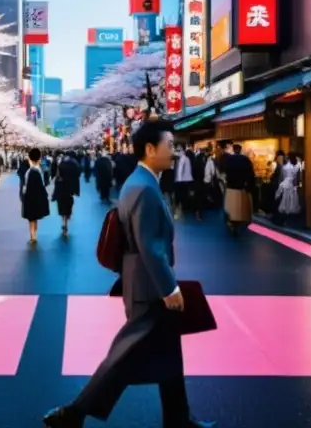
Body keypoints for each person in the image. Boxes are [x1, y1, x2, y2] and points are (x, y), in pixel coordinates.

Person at [43, 121, 214, 428]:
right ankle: (74, 411)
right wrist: (168, 288)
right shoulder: (144, 188)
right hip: (149, 286)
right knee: (123, 356)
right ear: (150, 149)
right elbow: (149, 246)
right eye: (170, 145)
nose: (173, 152)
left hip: (143, 280)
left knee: (168, 355)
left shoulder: (140, 181)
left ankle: (178, 418)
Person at [221, 142, 253, 234]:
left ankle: (231, 222)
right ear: (240, 150)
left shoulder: (228, 159)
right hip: (241, 187)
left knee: (231, 207)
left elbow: (224, 171)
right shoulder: (245, 159)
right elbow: (250, 174)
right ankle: (240, 223)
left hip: (231, 187)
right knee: (240, 208)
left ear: (234, 149)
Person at [22, 147, 50, 244]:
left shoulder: (28, 172)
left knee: (31, 218)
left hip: (29, 197)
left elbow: (24, 186)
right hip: (39, 196)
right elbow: (44, 184)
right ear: (39, 158)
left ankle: (33, 235)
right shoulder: (41, 170)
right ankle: (34, 234)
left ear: (30, 158)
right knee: (35, 216)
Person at [53, 153, 80, 236]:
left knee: (62, 207)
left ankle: (64, 222)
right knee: (68, 206)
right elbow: (77, 176)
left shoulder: (61, 165)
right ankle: (66, 221)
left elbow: (57, 178)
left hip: (61, 190)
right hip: (69, 190)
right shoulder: (74, 164)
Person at [275, 153, 302, 226]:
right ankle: (290, 219)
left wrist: (280, 184)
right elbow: (297, 178)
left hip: (285, 183)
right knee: (292, 200)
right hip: (292, 185)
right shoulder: (296, 166)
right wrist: (296, 185)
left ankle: (282, 219)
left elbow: (281, 177)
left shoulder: (284, 167)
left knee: (284, 200)